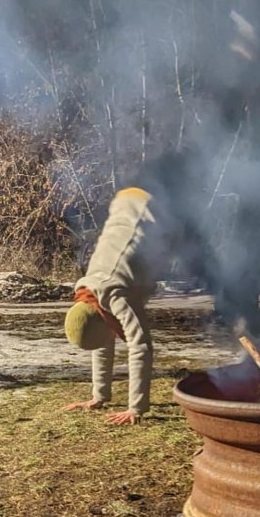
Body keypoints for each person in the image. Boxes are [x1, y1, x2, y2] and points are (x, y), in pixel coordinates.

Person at [63, 151, 213, 425]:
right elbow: (102, 338)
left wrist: (136, 408)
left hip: (161, 206)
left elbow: (140, 344)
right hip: (127, 199)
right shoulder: (88, 290)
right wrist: (99, 396)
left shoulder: (113, 292)